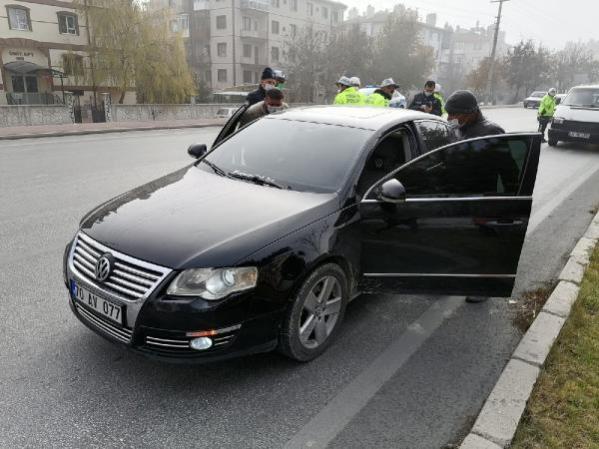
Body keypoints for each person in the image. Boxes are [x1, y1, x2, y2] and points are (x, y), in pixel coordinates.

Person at [444, 90, 507, 304]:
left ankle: (484, 286)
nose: (453, 119)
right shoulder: (457, 128)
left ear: (471, 111)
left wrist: (508, 202)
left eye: (456, 114)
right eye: (450, 115)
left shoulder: (492, 131)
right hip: (458, 194)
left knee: (484, 243)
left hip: (483, 197)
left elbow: (508, 170)